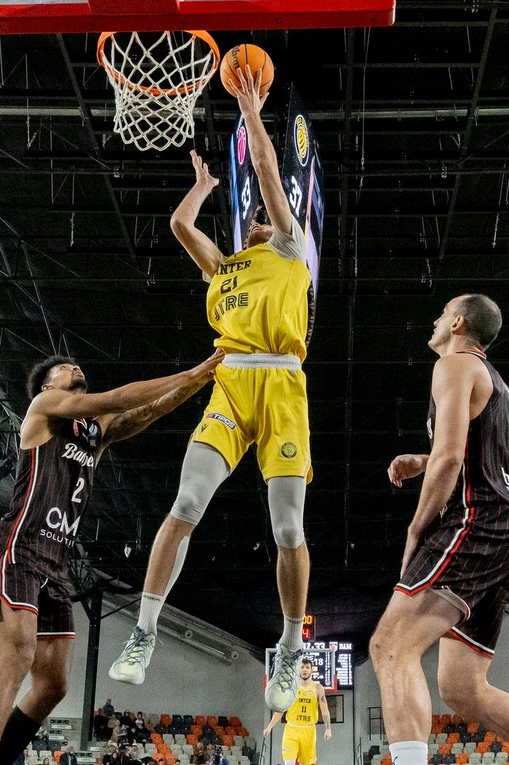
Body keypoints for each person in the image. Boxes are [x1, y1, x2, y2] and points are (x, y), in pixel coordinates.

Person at [108, 65, 316, 713]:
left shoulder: (289, 246)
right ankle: (143, 631)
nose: (257, 215)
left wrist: (253, 111)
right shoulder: (223, 268)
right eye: (249, 213)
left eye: (263, 211)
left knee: (286, 526)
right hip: (229, 386)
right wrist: (200, 187)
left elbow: (268, 172)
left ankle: (288, 647)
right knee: (186, 500)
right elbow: (177, 227)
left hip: (281, 386)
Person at [0, 351, 223, 765]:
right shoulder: (45, 408)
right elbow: (120, 398)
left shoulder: (92, 433)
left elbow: (144, 410)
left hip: (56, 563)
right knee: (16, 659)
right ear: (48, 385)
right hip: (19, 547)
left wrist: (193, 385)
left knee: (53, 685)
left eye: (76, 366)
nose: (76, 368)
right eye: (65, 368)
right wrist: (193, 370)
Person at [369, 296, 509, 765]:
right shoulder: (493, 381)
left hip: (479, 520)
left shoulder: (454, 364)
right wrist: (424, 460)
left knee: (389, 645)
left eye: (441, 312)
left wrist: (417, 527)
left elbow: (451, 459)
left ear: (458, 323)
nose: (435, 318)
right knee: (462, 688)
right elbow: (473, 453)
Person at [262, 659, 332, 765]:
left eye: (307, 667)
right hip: (291, 729)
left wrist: (328, 728)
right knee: (289, 762)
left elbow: (325, 710)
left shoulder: (318, 688)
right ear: (298, 669)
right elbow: (281, 709)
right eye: (302, 667)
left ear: (311, 670)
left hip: (308, 730)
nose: (304, 670)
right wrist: (269, 726)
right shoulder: (291, 687)